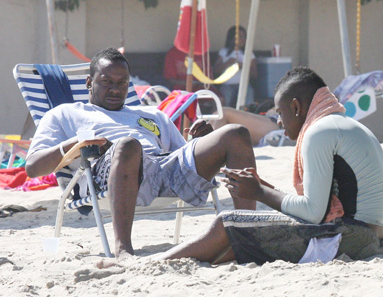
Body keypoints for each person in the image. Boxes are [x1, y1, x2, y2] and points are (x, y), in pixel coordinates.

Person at [25, 47, 256, 259]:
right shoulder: (64, 114)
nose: (115, 89)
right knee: (128, 145)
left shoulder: (151, 114)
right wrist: (77, 142)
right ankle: (123, 250)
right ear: (89, 82)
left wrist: (198, 143)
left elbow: (179, 156)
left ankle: (249, 236)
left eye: (122, 83)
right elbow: (33, 167)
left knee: (235, 134)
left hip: (164, 170)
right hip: (108, 174)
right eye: (106, 82)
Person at [149, 66, 383, 264]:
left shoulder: (319, 132)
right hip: (371, 240)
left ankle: (152, 263)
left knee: (228, 222)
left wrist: (259, 192)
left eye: (280, 112)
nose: (278, 120)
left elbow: (313, 213)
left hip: (350, 239)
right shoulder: (341, 124)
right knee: (236, 241)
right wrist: (263, 188)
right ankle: (165, 260)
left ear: (296, 107)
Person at [213, 26, 257, 108]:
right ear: (231, 38)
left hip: (244, 85)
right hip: (227, 85)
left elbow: (254, 75)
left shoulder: (249, 54)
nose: (242, 39)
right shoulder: (224, 52)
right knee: (224, 100)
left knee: (248, 102)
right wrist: (228, 62)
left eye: (244, 37)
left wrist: (243, 66)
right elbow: (215, 71)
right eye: (239, 37)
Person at [212, 106, 294, 147]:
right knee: (217, 115)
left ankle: (211, 157)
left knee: (221, 113)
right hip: (277, 120)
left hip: (282, 125)